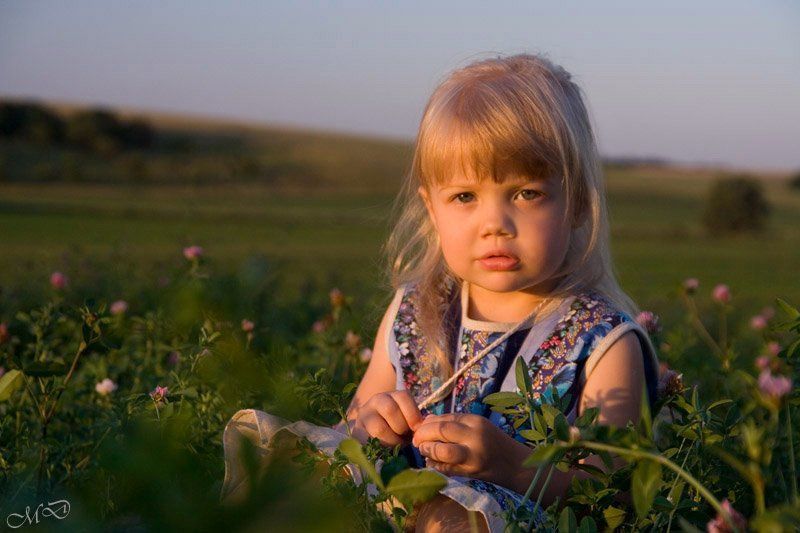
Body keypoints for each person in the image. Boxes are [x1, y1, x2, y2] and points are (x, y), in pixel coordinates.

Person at [220, 52, 659, 532]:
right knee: (302, 469)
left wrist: (514, 467)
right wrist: (369, 427)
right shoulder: (414, 310)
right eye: (465, 196)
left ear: (576, 204)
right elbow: (354, 422)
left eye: (527, 193)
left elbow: (614, 491)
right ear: (432, 208)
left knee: (452, 517)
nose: (495, 224)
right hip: (395, 505)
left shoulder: (602, 341)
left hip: (512, 521)